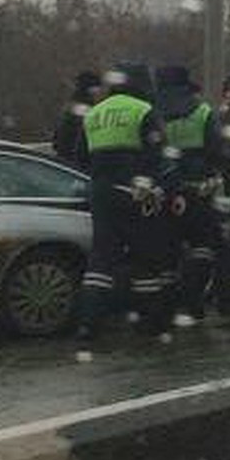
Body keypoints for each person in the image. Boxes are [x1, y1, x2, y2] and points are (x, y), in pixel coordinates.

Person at [76, 63, 175, 340]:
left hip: (100, 193)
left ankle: (88, 323)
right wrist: (156, 186)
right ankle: (150, 322)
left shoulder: (94, 113)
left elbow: (80, 156)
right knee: (147, 257)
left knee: (101, 259)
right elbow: (159, 154)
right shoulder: (143, 110)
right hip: (135, 192)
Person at [154, 65, 230, 318]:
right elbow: (219, 151)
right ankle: (193, 297)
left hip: (163, 193)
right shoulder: (202, 112)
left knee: (166, 250)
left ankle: (165, 304)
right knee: (203, 246)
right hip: (197, 191)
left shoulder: (152, 113)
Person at [52, 70, 101, 167]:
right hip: (75, 156)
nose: (98, 91)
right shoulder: (83, 107)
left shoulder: (72, 104)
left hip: (66, 154)